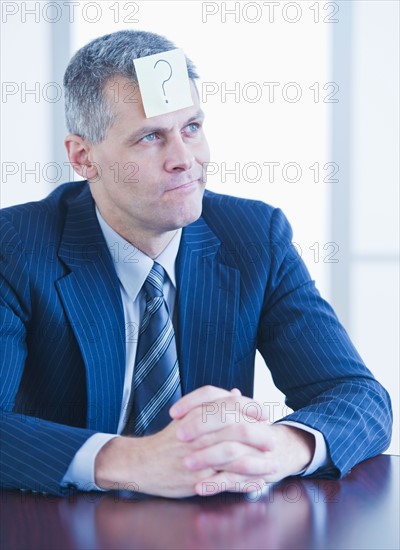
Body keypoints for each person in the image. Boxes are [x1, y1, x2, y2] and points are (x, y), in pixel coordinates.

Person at [0, 30, 392, 498]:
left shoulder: (254, 236)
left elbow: (360, 397)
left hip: (211, 524)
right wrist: (132, 460)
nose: (186, 160)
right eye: (150, 138)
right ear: (84, 158)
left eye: (191, 128)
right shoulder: (17, 246)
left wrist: (278, 446)